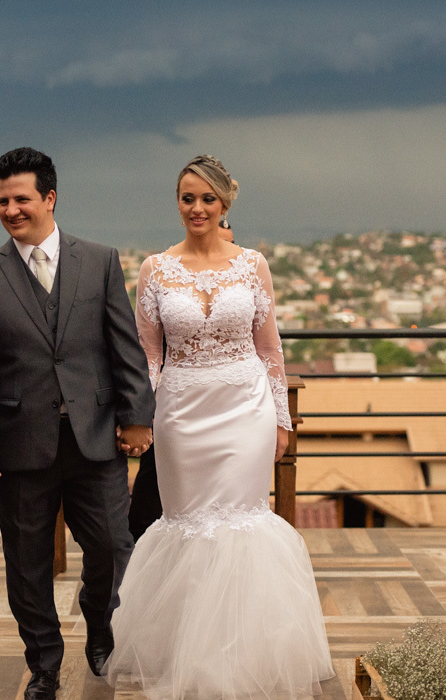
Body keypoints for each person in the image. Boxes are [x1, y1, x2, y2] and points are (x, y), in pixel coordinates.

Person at [105, 155, 333, 699]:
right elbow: (148, 354)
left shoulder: (253, 265)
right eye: (187, 198)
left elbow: (270, 348)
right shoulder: (155, 269)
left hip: (245, 408)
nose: (197, 208)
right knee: (189, 525)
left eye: (207, 198)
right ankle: (188, 653)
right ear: (177, 203)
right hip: (181, 413)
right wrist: (140, 415)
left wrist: (280, 421)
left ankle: (242, 656)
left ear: (224, 203)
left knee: (242, 525)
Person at [0, 147, 155, 700]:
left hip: (96, 438)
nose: (11, 210)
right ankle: (43, 664)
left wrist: (137, 416)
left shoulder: (100, 261)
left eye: (21, 199)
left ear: (50, 198)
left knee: (113, 546)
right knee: (27, 564)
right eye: (2, 201)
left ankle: (101, 626)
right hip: (19, 445)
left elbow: (125, 346)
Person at [128, 219, 238, 541]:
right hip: (176, 402)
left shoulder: (241, 278)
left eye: (229, 243)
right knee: (155, 493)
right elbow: (147, 350)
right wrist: (143, 409)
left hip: (231, 406)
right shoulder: (168, 280)